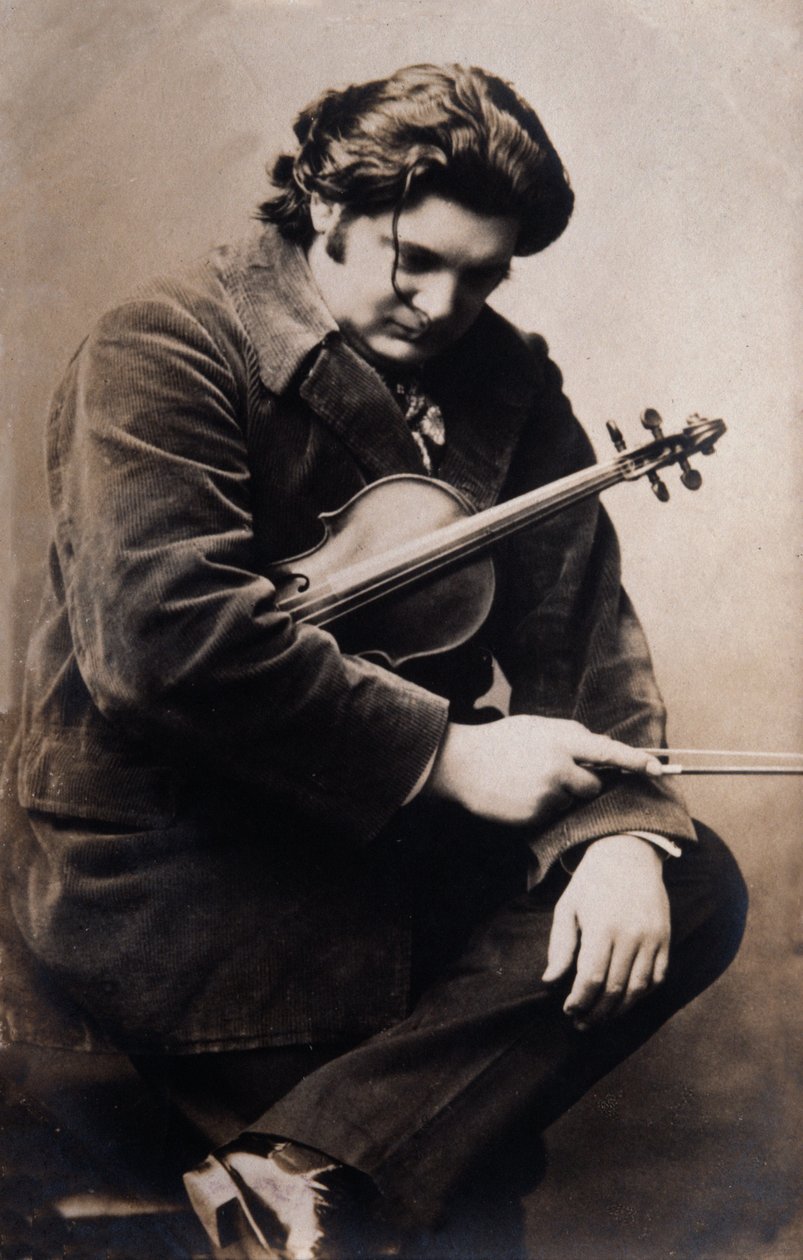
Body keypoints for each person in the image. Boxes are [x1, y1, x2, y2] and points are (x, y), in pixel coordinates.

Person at [0, 63, 747, 1258]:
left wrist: (614, 840)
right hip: (180, 857)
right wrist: (446, 754)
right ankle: (344, 1168)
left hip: (374, 842)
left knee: (690, 878)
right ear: (325, 205)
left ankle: (295, 1170)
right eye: (415, 260)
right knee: (450, 1189)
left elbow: (575, 628)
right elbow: (161, 641)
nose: (444, 306)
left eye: (482, 275)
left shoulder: (502, 377)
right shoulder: (165, 343)